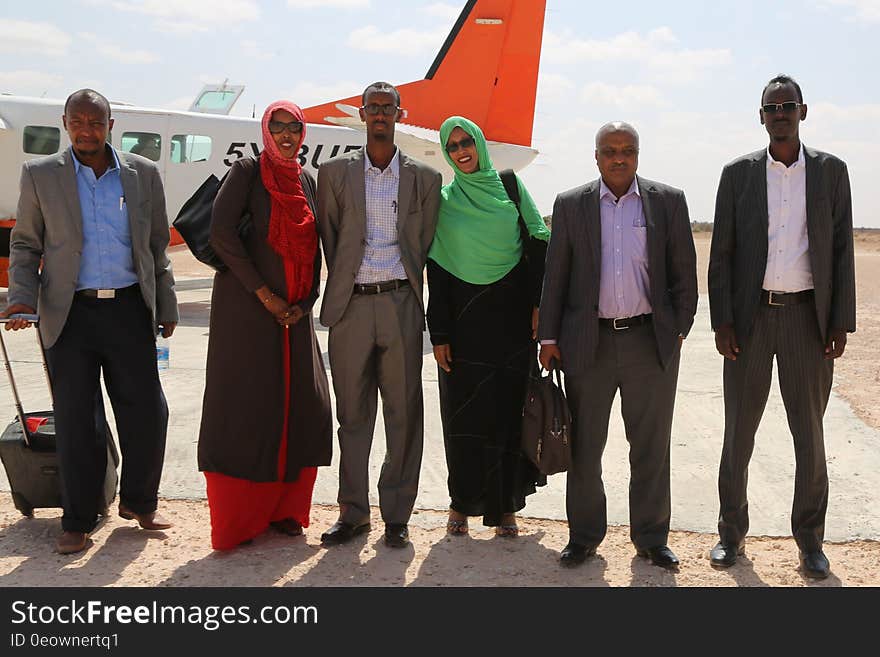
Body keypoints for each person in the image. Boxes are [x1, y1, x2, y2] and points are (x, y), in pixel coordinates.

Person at [1, 88, 178, 554]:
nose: (86, 130)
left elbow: (156, 246)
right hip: (68, 314)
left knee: (148, 411)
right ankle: (77, 518)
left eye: (95, 122)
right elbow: (25, 246)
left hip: (128, 309)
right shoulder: (41, 175)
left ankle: (140, 502)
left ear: (110, 124)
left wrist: (167, 304)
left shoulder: (143, 174)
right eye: (77, 122)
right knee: (79, 421)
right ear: (65, 123)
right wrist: (21, 300)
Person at [707, 75, 856, 580]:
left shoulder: (832, 172)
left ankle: (811, 542)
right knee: (738, 434)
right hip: (749, 322)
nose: (781, 113)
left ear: (804, 111)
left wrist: (840, 321)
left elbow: (840, 252)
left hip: (807, 321)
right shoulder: (738, 174)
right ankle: (730, 533)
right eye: (772, 107)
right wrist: (722, 320)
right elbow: (721, 252)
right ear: (761, 115)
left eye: (788, 105)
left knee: (809, 436)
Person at [538, 121, 697, 569]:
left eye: (627, 149)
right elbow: (556, 278)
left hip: (650, 343)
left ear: (638, 155)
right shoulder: (572, 205)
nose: (619, 157)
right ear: (596, 156)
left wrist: (678, 329)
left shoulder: (668, 202)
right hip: (589, 346)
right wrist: (549, 337)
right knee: (586, 448)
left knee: (650, 447)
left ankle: (650, 538)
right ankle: (584, 538)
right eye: (610, 150)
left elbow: (685, 275)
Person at [197, 101, 332, 550]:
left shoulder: (306, 180)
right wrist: (265, 294)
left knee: (302, 405)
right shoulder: (248, 173)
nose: (287, 135)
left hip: (294, 318)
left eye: (294, 128)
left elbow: (314, 248)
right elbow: (221, 233)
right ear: (265, 131)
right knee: (247, 411)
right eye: (278, 128)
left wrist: (305, 300)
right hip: (248, 314)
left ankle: (287, 511)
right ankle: (241, 521)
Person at [317, 82, 441, 549]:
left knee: (404, 412)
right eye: (373, 108)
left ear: (399, 114)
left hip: (401, 304)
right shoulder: (333, 174)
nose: (381, 115)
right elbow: (331, 237)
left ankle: (396, 515)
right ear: (363, 115)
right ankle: (352, 512)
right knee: (352, 413)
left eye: (389, 109)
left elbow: (423, 243)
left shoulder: (426, 180)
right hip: (350, 306)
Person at [426, 116, 549, 537]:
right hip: (463, 326)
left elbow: (537, 242)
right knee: (463, 415)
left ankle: (506, 508)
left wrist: (538, 306)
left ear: (479, 143)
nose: (461, 150)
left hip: (512, 323)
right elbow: (437, 271)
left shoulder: (510, 187)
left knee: (507, 414)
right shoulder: (445, 201)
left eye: (467, 142)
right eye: (453, 145)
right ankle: (461, 504)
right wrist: (438, 333)